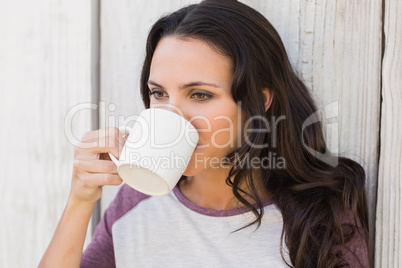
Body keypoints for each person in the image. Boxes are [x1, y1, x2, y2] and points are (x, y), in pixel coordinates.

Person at [39, 0, 370, 267]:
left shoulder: (319, 217)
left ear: (259, 102)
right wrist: (79, 203)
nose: (174, 115)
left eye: (200, 95)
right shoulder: (137, 203)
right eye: (159, 93)